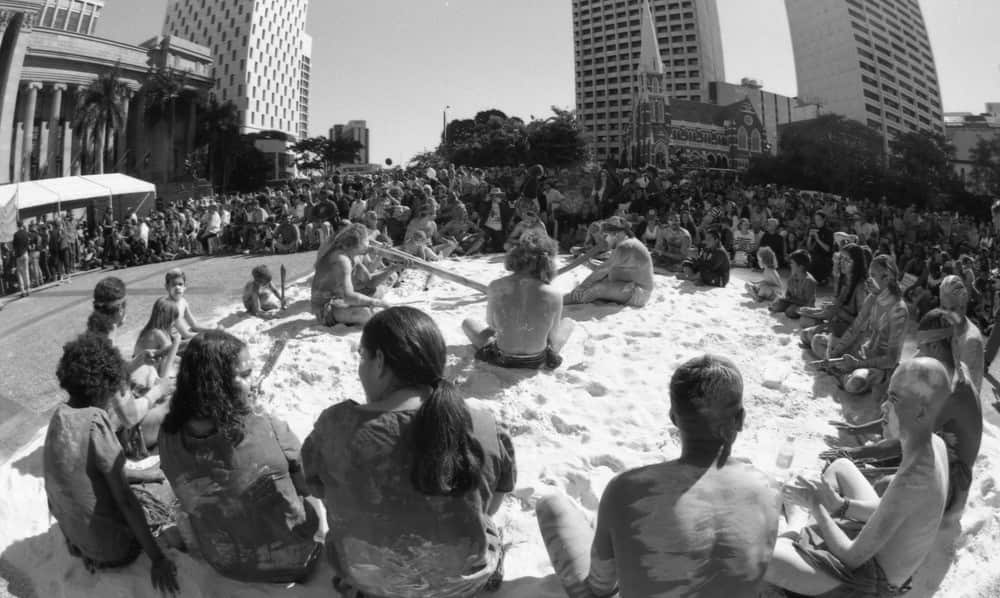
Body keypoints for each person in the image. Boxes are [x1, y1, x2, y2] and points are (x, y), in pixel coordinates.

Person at [301, 307, 515, 597]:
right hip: (460, 583)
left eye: (362, 357)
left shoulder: (334, 427)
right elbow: (492, 504)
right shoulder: (483, 422)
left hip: (366, 578)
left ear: (379, 361)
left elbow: (318, 490)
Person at [536, 355, 778, 597]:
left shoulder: (626, 489)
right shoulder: (768, 491)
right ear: (740, 419)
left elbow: (601, 586)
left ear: (673, 418)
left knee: (551, 505)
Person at [765, 358, 951, 596]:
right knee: (841, 466)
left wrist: (817, 505)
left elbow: (851, 558)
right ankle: (803, 524)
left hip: (869, 581)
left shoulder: (914, 477)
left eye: (894, 399)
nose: (884, 406)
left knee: (763, 557)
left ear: (921, 411)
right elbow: (891, 512)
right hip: (877, 547)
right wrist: (840, 505)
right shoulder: (935, 444)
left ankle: (797, 524)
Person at [158, 330, 322, 583]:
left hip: (224, 563)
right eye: (245, 375)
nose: (252, 382)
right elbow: (308, 485)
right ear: (216, 384)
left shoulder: (168, 437)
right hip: (295, 561)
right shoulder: (266, 425)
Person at [44, 333, 179, 593]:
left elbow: (83, 473)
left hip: (77, 541)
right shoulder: (96, 420)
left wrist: (140, 475)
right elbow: (126, 500)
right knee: (166, 489)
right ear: (106, 387)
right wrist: (157, 559)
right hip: (114, 550)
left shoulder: (60, 415)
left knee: (146, 478)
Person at [823, 309, 983, 516]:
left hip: (951, 482)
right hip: (934, 458)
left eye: (922, 348)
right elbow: (905, 420)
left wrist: (855, 452)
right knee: (861, 467)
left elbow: (905, 439)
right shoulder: (949, 372)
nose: (918, 354)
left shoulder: (951, 390)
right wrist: (857, 430)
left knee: (880, 485)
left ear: (935, 347)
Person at [463, 232, 575, 370]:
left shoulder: (496, 285)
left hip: (502, 357)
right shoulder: (554, 294)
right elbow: (552, 336)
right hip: (537, 359)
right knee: (568, 322)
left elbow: (492, 324)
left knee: (467, 323)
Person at [825, 255, 908, 395]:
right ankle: (842, 373)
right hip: (861, 354)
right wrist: (835, 352)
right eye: (870, 275)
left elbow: (891, 360)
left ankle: (843, 375)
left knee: (855, 383)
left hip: (880, 367)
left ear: (887, 278)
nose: (869, 280)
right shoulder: (872, 297)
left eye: (873, 275)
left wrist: (857, 364)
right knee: (818, 342)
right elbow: (854, 329)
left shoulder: (899, 310)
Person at [311, 223, 392, 326]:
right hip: (325, 309)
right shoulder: (341, 261)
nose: (369, 243)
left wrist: (392, 268)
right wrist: (376, 302)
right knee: (365, 314)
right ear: (358, 243)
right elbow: (349, 297)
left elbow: (370, 281)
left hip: (340, 299)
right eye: (366, 240)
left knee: (379, 290)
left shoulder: (352, 254)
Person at [565, 217, 655, 307]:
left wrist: (582, 286)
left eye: (606, 235)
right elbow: (607, 268)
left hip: (638, 292)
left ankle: (560, 301)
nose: (605, 239)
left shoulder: (626, 246)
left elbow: (603, 270)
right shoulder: (626, 244)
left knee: (597, 289)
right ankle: (565, 299)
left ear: (615, 234)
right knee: (594, 284)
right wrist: (588, 263)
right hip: (627, 285)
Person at [800, 243, 869, 359]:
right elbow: (835, 306)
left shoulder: (860, 287)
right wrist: (820, 310)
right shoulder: (844, 279)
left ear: (857, 263)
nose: (842, 262)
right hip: (837, 324)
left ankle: (841, 360)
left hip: (851, 333)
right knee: (804, 334)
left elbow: (863, 325)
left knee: (815, 341)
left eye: (847, 260)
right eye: (841, 258)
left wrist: (838, 312)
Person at [938, 274, 985, 393]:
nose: (946, 314)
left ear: (963, 307)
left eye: (952, 309)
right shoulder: (948, 325)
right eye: (943, 307)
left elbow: (960, 386)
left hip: (962, 397)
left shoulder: (971, 340)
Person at [163, 268, 213, 340]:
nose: (177, 287)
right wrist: (211, 334)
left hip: (181, 336)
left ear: (184, 287)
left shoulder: (183, 302)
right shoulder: (168, 307)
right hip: (171, 341)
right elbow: (186, 335)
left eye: (180, 284)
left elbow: (194, 325)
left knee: (210, 329)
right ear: (167, 287)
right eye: (173, 284)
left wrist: (214, 330)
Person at [769, 249, 817, 319]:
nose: (790, 265)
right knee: (775, 306)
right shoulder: (792, 277)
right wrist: (783, 299)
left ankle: (790, 309)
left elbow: (808, 303)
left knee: (790, 311)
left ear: (800, 267)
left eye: (792, 263)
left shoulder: (809, 281)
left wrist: (790, 300)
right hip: (793, 302)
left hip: (804, 306)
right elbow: (788, 294)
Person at [806, 210, 835, 285]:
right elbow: (809, 247)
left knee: (817, 260)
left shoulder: (829, 232)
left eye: (819, 220)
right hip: (814, 256)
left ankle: (822, 278)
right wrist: (809, 237)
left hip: (825, 258)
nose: (817, 222)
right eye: (816, 220)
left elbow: (828, 249)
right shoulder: (814, 229)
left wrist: (818, 239)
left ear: (824, 220)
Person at [13, 221, 30, 297]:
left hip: (19, 255)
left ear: (17, 226)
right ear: (22, 225)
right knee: (26, 271)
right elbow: (27, 243)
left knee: (20, 273)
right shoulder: (26, 233)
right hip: (25, 253)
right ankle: (28, 289)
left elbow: (14, 246)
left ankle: (23, 291)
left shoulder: (16, 235)